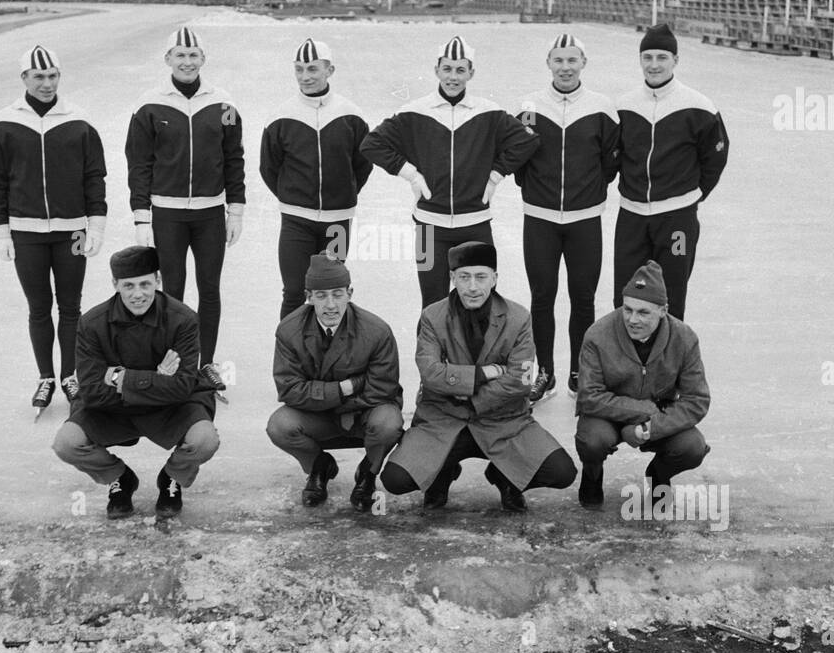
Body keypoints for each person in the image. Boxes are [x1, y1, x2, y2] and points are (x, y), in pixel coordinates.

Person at [380, 241, 576, 512]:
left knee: (562, 472)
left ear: (495, 278)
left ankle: (505, 476)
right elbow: (430, 373)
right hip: (444, 420)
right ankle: (442, 474)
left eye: (481, 277)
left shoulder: (518, 317)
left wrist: (465, 391)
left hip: (502, 422)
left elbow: (520, 381)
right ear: (453, 278)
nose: (472, 287)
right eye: (464, 277)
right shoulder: (432, 317)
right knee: (395, 479)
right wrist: (482, 374)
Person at [361, 36, 540, 311]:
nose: (453, 77)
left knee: (481, 303)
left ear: (471, 73)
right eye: (447, 69)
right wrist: (411, 174)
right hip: (428, 226)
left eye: (460, 70)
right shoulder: (413, 111)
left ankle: (478, 357)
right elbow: (371, 145)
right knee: (432, 305)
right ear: (436, 71)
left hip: (476, 223)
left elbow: (527, 140)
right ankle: (430, 357)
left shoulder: (489, 112)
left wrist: (496, 175)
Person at [51, 246, 220, 523]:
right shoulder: (92, 323)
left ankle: (172, 477)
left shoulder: (183, 319)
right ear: (115, 284)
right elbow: (92, 391)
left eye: (145, 284)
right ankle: (120, 478)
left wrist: (119, 377)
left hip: (171, 407)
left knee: (204, 440)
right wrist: (157, 378)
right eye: (128, 285)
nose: (138, 293)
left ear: (158, 280)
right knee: (66, 444)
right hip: (113, 408)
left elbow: (182, 387)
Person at [0, 45, 107, 413]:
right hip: (25, 231)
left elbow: (94, 177)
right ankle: (45, 377)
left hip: (71, 231)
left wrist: (95, 225)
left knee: (71, 308)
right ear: (24, 78)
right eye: (39, 77)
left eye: (53, 76)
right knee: (39, 308)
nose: (47, 84)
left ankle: (70, 375)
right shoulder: (2, 124)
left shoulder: (79, 121)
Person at [126, 27, 245, 394]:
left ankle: (206, 363)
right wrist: (141, 214)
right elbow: (139, 163)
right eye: (180, 55)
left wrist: (235, 208)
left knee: (209, 289)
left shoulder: (223, 104)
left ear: (203, 59)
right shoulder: (149, 105)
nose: (187, 62)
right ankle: (175, 362)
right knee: (172, 292)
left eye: (193, 55)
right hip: (167, 214)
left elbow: (233, 158)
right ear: (168, 60)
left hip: (210, 213)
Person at [515, 33, 621, 402]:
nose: (565, 67)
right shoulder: (530, 106)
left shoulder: (602, 108)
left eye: (572, 60)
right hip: (540, 218)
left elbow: (611, 162)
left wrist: (587, 193)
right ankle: (545, 372)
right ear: (548, 63)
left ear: (583, 64)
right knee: (542, 296)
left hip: (585, 219)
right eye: (558, 60)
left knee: (583, 297)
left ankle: (581, 371)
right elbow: (518, 159)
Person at [266, 253, 403, 510]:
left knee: (389, 422)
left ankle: (368, 472)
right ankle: (319, 466)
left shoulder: (376, 330)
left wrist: (330, 401)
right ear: (309, 296)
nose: (331, 305)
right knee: (280, 425)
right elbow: (289, 388)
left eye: (338, 294)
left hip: (363, 415)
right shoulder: (289, 330)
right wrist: (345, 388)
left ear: (350, 293)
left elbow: (384, 389)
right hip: (319, 416)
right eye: (321, 295)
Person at [614, 24, 728, 320]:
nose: (654, 64)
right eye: (648, 57)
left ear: (675, 60)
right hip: (632, 214)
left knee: (671, 294)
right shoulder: (624, 105)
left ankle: (668, 363)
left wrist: (693, 195)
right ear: (640, 60)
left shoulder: (699, 106)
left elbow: (715, 157)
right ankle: (626, 362)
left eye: (662, 57)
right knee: (625, 294)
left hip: (677, 217)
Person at [574, 260, 711, 508]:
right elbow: (588, 396)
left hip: (658, 415)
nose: (633, 319)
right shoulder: (597, 334)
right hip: (608, 414)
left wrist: (649, 428)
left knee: (692, 447)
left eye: (643, 312)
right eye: (628, 309)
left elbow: (697, 401)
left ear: (663, 310)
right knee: (591, 441)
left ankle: (659, 475)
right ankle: (592, 473)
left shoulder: (684, 338)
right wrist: (642, 411)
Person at [260, 39, 373, 319]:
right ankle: (290, 359)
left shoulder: (351, 115)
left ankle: (332, 356)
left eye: (312, 68)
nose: (305, 76)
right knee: (294, 291)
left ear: (329, 70)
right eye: (299, 69)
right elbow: (269, 168)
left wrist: (343, 193)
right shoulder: (281, 116)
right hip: (296, 220)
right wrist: (294, 196)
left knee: (332, 290)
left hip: (338, 219)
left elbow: (362, 164)